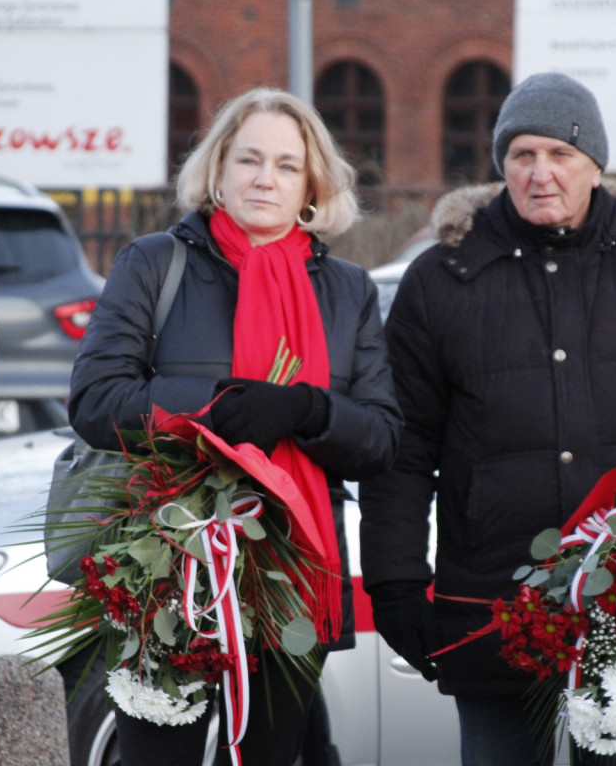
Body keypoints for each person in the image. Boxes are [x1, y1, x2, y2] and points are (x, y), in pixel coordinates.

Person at [358, 71, 616, 766]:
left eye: (561, 154)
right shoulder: (441, 280)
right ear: (501, 166)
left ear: (594, 165)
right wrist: (395, 584)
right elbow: (405, 446)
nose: (541, 173)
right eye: (522, 155)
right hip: (489, 601)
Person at [69, 86, 402, 766]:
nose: (264, 178)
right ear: (218, 169)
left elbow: (381, 438)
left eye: (285, 165)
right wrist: (211, 409)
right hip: (167, 566)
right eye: (249, 159)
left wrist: (308, 410)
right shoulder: (155, 263)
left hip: (292, 572)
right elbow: (96, 399)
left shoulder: (347, 291)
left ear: (312, 183)